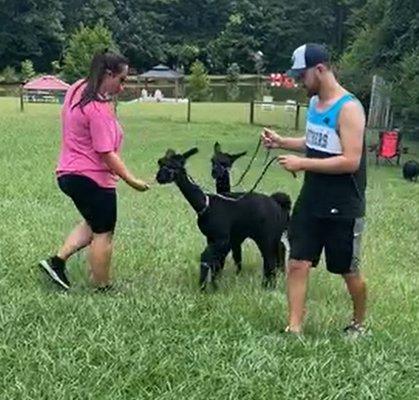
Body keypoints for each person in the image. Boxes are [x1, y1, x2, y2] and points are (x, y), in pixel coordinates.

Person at [261, 43, 367, 335]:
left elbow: (350, 161)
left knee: (348, 270)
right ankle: (293, 327)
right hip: (311, 199)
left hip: (343, 203)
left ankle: (358, 324)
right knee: (297, 261)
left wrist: (302, 164)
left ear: (320, 69)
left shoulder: (348, 108)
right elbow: (315, 143)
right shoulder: (314, 104)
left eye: (301, 75)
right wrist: (282, 142)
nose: (298, 82)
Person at [39, 51, 149, 291]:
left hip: (68, 174)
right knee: (104, 232)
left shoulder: (77, 88)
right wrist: (132, 180)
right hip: (92, 178)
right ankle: (102, 287)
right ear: (108, 74)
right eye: (121, 80)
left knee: (93, 222)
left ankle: (56, 262)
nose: (122, 87)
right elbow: (106, 153)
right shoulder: (98, 108)